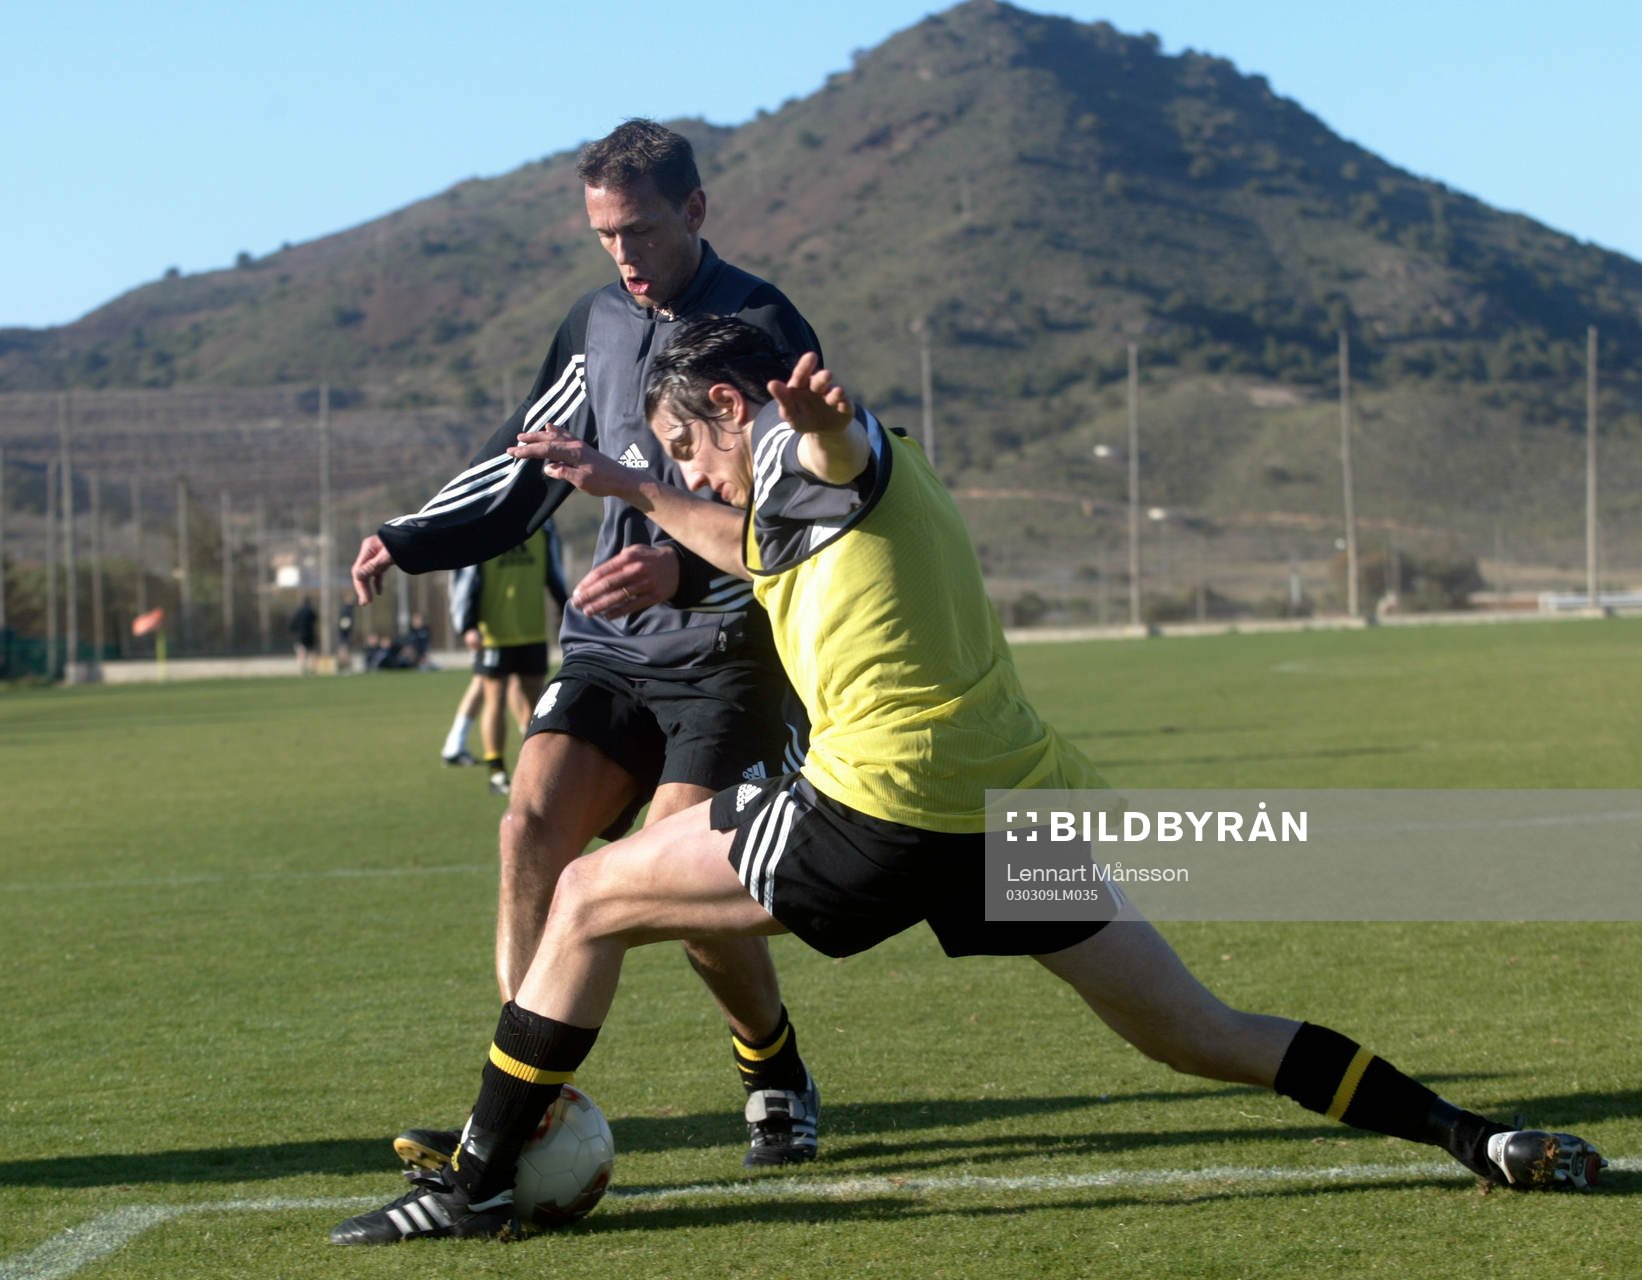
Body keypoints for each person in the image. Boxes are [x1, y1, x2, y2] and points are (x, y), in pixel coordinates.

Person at [332, 318, 1607, 1244]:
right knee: (1197, 1030)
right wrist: (632, 490)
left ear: (727, 404)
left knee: (590, 895)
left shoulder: (806, 452)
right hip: (1016, 811)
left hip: (884, 802)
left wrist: (821, 421)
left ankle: (484, 1173)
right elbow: (753, 532)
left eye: (684, 445)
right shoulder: (789, 508)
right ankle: (1469, 1135)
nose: (694, 473)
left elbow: (832, 457)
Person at [350, 120, 825, 1172]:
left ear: (694, 212)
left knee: (684, 887)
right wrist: (410, 533)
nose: (622, 253)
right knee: (528, 828)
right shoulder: (596, 323)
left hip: (729, 649)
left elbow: (805, 502)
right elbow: (526, 466)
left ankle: (772, 1066)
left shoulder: (761, 325)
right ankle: (524, 1114)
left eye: (641, 230)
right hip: (612, 648)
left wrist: (686, 567)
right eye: (604, 234)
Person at [451, 526, 568, 794]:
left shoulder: (544, 528)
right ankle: (497, 772)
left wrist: (567, 605)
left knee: (537, 705)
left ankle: (534, 771)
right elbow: (465, 578)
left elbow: (554, 572)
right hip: (494, 633)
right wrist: (468, 624)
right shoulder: (482, 529)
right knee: (495, 699)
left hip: (532, 630)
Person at [288, 597, 318, 675]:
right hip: (310, 634)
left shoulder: (298, 612)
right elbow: (315, 621)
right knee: (312, 652)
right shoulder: (311, 611)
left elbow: (292, 624)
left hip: (301, 635)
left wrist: (294, 631)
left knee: (302, 652)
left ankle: (302, 669)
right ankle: (313, 669)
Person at [336, 601, 356, 674]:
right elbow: (345, 624)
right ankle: (344, 667)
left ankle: (342, 667)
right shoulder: (347, 610)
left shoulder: (346, 609)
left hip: (343, 634)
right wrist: (350, 633)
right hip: (344, 634)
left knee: (343, 650)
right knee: (344, 651)